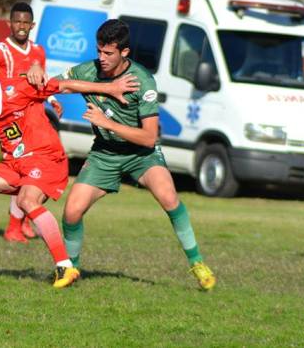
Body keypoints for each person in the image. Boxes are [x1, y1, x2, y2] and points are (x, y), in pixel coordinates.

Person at [0, 54, 138, 289]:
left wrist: (110, 88)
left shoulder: (19, 87)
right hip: (16, 165)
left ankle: (65, 266)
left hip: (46, 158)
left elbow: (65, 86)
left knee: (26, 200)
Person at [59, 19, 216, 290]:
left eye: (108, 53)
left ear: (125, 52)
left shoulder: (142, 81)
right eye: (99, 51)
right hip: (105, 153)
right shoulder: (90, 70)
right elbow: (55, 84)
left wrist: (107, 123)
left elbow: (149, 137)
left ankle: (197, 263)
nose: (102, 58)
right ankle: (70, 269)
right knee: (72, 212)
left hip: (141, 154)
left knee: (169, 198)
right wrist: (104, 88)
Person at [0, 1, 63, 243]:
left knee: (34, 169)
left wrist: (51, 98)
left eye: (25, 22)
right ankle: (13, 227)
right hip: (11, 121)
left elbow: (40, 82)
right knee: (24, 167)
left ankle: (23, 221)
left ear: (32, 25)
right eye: (17, 21)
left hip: (35, 117)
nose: (21, 26)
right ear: (9, 23)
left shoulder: (38, 51)